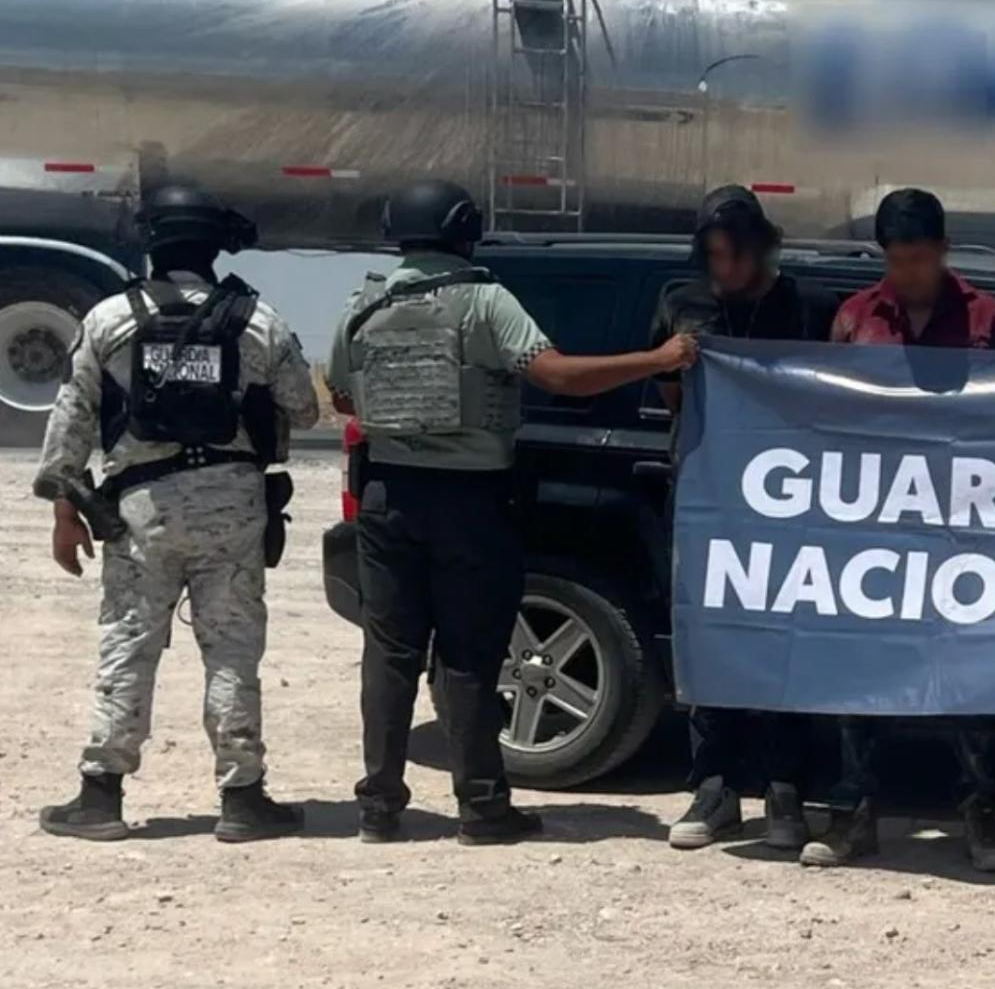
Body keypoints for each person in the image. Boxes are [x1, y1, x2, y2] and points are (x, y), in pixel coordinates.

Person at [328, 179, 695, 846]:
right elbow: (557, 376)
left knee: (389, 655)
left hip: (386, 497)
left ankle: (378, 807)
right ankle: (482, 808)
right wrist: (658, 359)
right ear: (463, 231)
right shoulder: (483, 300)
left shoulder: (364, 303)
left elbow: (344, 397)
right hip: (467, 500)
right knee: (469, 654)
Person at [35, 184, 319, 843]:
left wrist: (64, 511)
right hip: (233, 508)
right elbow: (303, 409)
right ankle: (243, 800)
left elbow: (71, 420)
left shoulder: (109, 319)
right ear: (216, 245)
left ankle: (100, 796)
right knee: (232, 651)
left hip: (142, 509)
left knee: (128, 645)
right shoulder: (257, 319)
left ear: (150, 242)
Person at [801, 187, 995, 872]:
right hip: (876, 532)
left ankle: (980, 815)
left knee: (971, 682)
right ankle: (852, 815)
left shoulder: (988, 319)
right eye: (897, 259)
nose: (909, 272)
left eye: (921, 258)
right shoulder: (855, 319)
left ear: (944, 250)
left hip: (964, 532)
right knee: (860, 678)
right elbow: (827, 416)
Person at [659, 185, 842, 855]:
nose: (727, 267)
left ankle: (785, 788)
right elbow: (672, 396)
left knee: (785, 646)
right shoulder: (681, 303)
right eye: (714, 255)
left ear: (762, 248)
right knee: (709, 642)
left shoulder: (808, 305)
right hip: (708, 501)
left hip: (791, 506)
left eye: (737, 254)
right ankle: (714, 789)